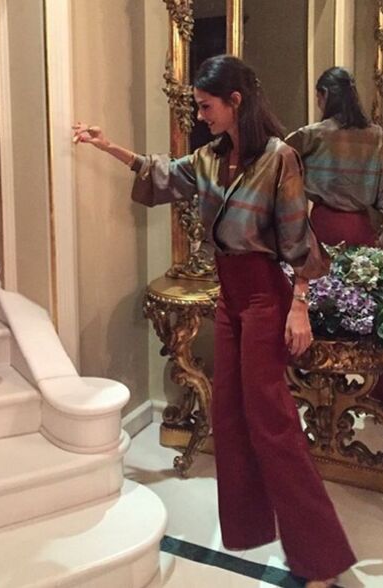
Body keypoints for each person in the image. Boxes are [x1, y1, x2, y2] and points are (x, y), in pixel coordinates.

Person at [73, 55, 356, 588]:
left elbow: (298, 238)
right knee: (228, 414)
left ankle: (322, 559)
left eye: (206, 107)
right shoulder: (208, 159)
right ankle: (256, 532)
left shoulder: (279, 159)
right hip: (229, 297)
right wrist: (107, 146)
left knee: (272, 423)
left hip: (265, 295)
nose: (200, 116)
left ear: (235, 102)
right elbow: (160, 171)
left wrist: (299, 305)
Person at [286, 66, 383, 408]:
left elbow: (276, 164)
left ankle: (319, 388)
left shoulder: (311, 134)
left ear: (325, 96)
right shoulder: (374, 135)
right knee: (367, 312)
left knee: (320, 308)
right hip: (360, 227)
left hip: (323, 225)